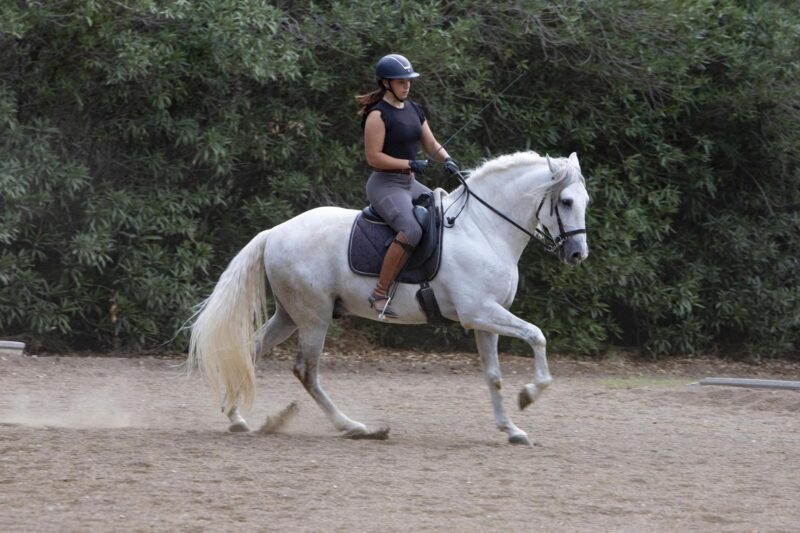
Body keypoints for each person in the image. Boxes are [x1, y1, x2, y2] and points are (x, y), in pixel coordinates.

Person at [355, 53, 461, 319]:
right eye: (401, 81)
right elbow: (373, 157)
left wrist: (447, 160)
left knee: (444, 212)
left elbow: (431, 145)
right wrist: (410, 163)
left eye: (409, 81)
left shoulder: (414, 109)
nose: (407, 85)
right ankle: (380, 292)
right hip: (385, 185)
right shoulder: (378, 115)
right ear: (386, 83)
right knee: (411, 229)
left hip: (409, 183)